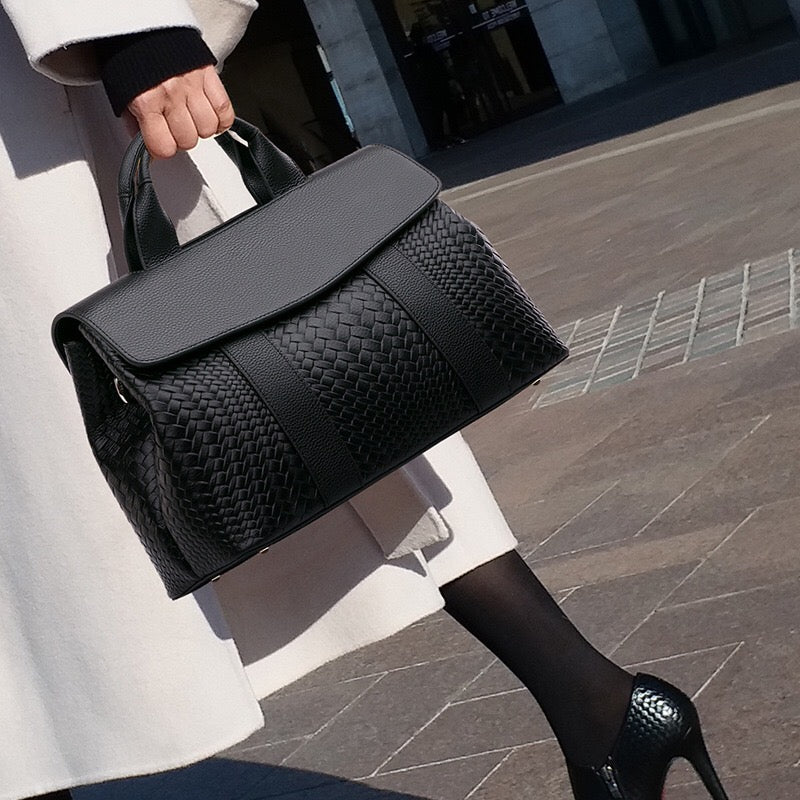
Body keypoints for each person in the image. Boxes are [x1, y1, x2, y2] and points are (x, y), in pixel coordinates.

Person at [0, 3, 729, 800]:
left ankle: (594, 700)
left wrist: (134, 27)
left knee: (279, 395)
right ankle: (600, 706)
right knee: (277, 408)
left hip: (33, 126)